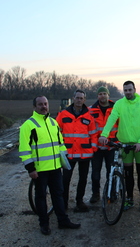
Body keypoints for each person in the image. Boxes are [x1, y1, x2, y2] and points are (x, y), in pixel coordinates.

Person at [19, 96, 81, 235]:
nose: (43, 106)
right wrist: (31, 169)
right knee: (41, 197)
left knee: (58, 195)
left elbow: (60, 144)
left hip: (55, 168)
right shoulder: (28, 125)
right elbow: (24, 150)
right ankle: (44, 224)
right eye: (40, 104)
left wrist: (64, 159)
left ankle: (63, 221)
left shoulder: (53, 123)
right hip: (40, 170)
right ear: (34, 107)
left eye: (45, 104)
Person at [98, 81, 140, 211]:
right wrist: (104, 134)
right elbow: (112, 118)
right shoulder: (119, 104)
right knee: (128, 174)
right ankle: (129, 199)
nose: (127, 92)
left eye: (130, 90)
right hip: (125, 144)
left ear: (134, 89)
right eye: (125, 90)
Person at [56, 89, 97, 212]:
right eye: (77, 98)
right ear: (73, 98)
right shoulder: (63, 114)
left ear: (84, 100)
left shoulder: (89, 116)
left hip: (85, 153)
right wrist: (59, 148)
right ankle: (64, 203)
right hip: (68, 153)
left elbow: (94, 134)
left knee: (83, 179)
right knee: (65, 180)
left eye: (81, 98)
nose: (79, 100)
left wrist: (93, 148)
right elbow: (56, 132)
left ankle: (80, 201)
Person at [89, 86, 118, 203]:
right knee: (95, 173)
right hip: (97, 147)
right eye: (100, 94)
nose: (102, 96)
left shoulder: (116, 108)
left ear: (108, 95)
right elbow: (89, 128)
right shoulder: (90, 110)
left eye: (104, 94)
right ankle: (95, 194)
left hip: (111, 145)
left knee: (111, 172)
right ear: (97, 96)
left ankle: (111, 194)